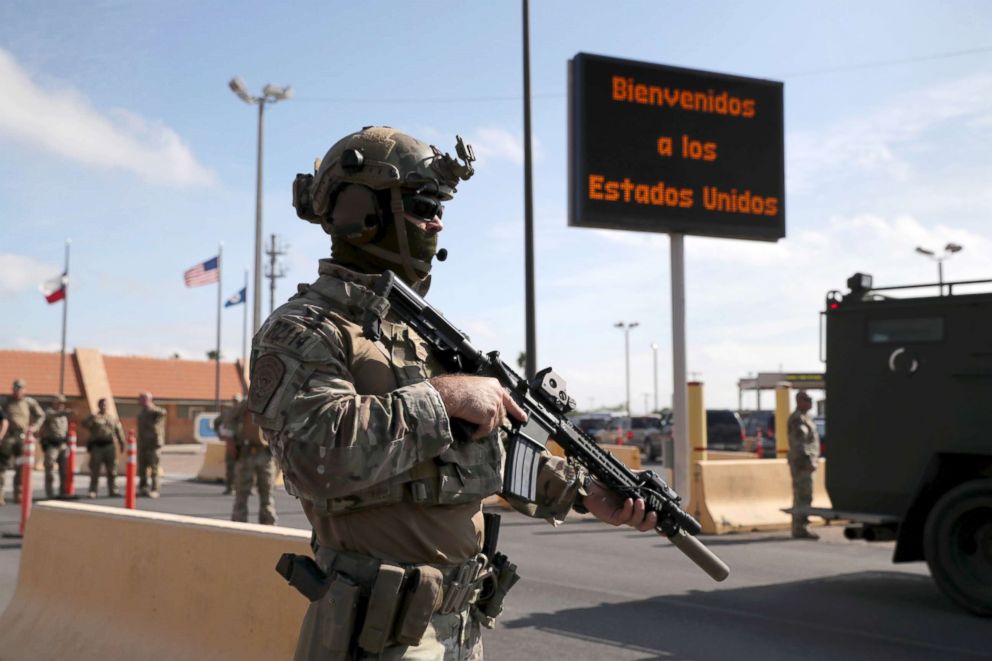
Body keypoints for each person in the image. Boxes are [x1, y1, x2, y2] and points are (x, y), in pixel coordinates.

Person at [249, 127, 658, 660]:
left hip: (459, 626)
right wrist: (441, 398)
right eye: (422, 205)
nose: (436, 222)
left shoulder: (417, 332)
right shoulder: (308, 328)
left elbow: (486, 454)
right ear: (359, 211)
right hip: (377, 632)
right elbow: (313, 456)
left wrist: (583, 493)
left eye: (439, 207)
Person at [230, 398, 277, 525]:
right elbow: (229, 419)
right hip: (247, 453)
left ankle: (268, 525)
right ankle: (238, 526)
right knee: (241, 493)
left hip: (265, 453)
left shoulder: (273, 401)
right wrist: (233, 439)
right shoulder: (246, 403)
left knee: (267, 493)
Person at [1, 379, 45, 505]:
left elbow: (41, 415)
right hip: (8, 438)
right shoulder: (5, 401)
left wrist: (34, 427)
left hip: (22, 438)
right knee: (2, 467)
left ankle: (19, 494)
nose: (17, 391)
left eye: (20, 389)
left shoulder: (29, 402)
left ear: (24, 390)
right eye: (15, 388)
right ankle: (0, 495)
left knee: (21, 467)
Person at [788, 390, 821, 540]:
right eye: (807, 400)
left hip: (805, 463)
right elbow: (799, 444)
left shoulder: (805, 418)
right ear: (799, 401)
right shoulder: (797, 420)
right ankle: (800, 528)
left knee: (804, 495)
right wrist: (808, 461)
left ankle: (800, 526)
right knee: (803, 495)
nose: (810, 402)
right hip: (802, 464)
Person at [81, 398, 125, 498]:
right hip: (97, 446)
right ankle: (93, 490)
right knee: (95, 470)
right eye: (102, 405)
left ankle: (113, 490)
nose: (104, 406)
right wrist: (92, 418)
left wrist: (122, 443)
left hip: (109, 446)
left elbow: (119, 431)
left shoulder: (112, 418)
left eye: (105, 405)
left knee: (112, 470)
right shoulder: (94, 417)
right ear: (99, 406)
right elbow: (84, 424)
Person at [39, 394, 73, 498]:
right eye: (59, 403)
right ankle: (50, 493)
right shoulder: (49, 412)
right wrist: (64, 412)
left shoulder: (63, 416)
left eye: (62, 403)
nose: (61, 405)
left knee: (64, 471)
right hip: (51, 445)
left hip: (62, 444)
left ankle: (63, 492)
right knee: (50, 470)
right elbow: (53, 415)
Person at [136, 392, 167, 498]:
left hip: (153, 444)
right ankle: (143, 488)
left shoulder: (155, 411)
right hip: (143, 444)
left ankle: (155, 489)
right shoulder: (142, 413)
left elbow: (163, 412)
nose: (139, 401)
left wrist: (150, 406)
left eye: (142, 399)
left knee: (154, 468)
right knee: (142, 468)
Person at [213, 394, 245, 494]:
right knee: (230, 466)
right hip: (231, 442)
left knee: (245, 467)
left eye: (237, 401)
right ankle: (229, 488)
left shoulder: (245, 412)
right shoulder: (228, 413)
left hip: (243, 443)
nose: (236, 403)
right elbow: (216, 422)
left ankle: (244, 488)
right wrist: (219, 434)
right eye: (234, 401)